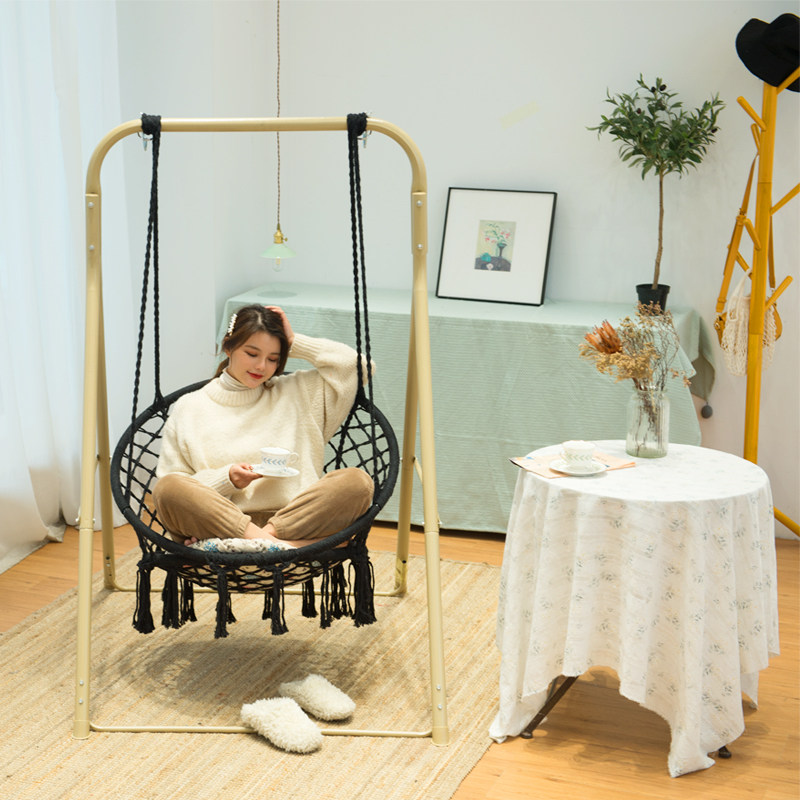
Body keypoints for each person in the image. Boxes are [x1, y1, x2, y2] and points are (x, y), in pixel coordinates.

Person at [153, 304, 374, 549]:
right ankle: (291, 549)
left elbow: (357, 368)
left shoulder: (299, 392)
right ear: (228, 347)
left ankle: (264, 545)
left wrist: (294, 341)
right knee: (168, 488)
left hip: (294, 520)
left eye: (273, 359)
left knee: (357, 482)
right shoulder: (190, 407)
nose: (261, 366)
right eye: (252, 354)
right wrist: (226, 479)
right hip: (222, 523)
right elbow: (174, 486)